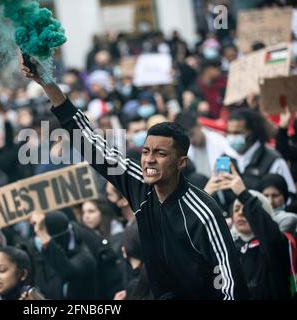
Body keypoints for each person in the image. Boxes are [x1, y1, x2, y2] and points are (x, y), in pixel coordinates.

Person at [21, 59, 249, 300]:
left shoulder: (203, 212)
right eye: (146, 152)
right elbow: (91, 145)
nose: (149, 160)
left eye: (161, 154)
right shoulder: (139, 184)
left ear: (181, 163)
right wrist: (47, 82)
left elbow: (230, 283)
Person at [218, 164, 295, 299]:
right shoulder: (227, 247)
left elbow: (270, 236)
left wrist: (243, 194)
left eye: (245, 209)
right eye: (236, 210)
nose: (241, 213)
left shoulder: (277, 244)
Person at [29, 210, 98, 299]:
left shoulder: (85, 258)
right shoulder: (39, 257)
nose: (39, 240)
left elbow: (68, 271)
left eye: (42, 237)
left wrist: (43, 235)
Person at [175, 111, 229, 179]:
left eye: (192, 134)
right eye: (186, 138)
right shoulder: (185, 151)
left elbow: (224, 174)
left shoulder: (220, 142)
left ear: (199, 124)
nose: (191, 141)